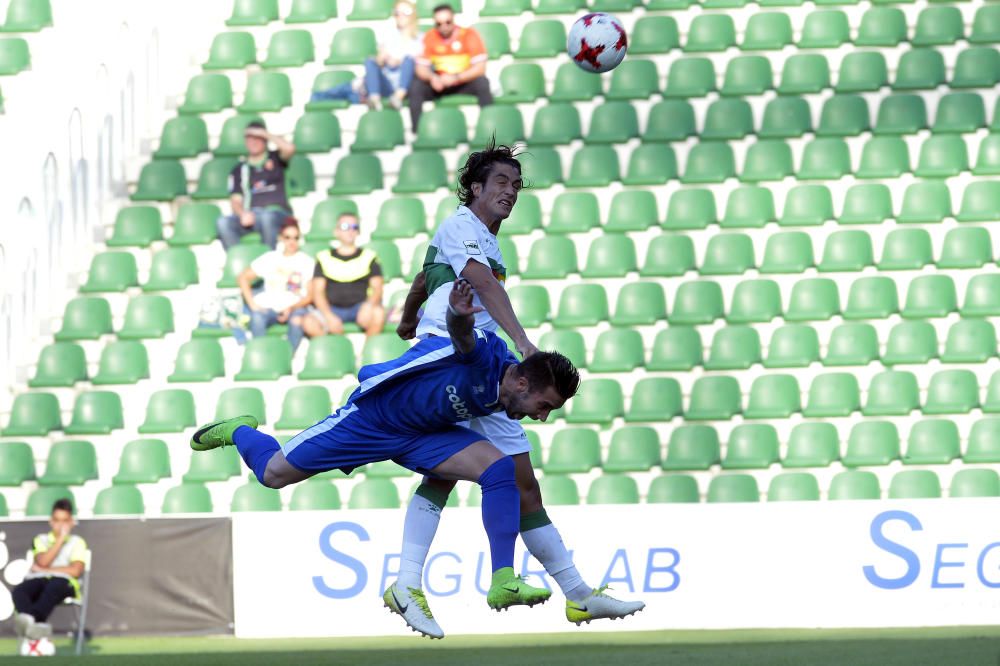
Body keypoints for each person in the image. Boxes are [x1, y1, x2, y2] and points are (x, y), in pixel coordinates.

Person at [190, 280, 579, 620]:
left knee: (499, 470)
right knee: (273, 474)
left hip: (424, 435)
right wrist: (458, 315)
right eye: (544, 407)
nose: (541, 418)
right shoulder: (486, 359)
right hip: (372, 419)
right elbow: (464, 339)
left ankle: (503, 580)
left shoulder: (512, 384)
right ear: (525, 386)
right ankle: (238, 429)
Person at [390, 139, 646, 638]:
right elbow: (484, 287)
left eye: (516, 184)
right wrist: (524, 343)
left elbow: (426, 275)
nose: (511, 191)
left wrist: (405, 317)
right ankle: (411, 583)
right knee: (460, 474)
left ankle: (577, 596)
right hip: (458, 354)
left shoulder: (482, 235)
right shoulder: (461, 223)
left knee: (518, 481)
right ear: (474, 188)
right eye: (501, 182)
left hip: (485, 357)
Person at [309, 0, 421, 109]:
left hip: (403, 85)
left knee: (408, 60)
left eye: (405, 12)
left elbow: (418, 64)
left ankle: (397, 96)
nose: (400, 16)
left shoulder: (420, 39)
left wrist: (398, 61)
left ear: (413, 14)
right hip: (383, 82)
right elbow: (378, 62)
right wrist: (383, 57)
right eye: (397, 12)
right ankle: (373, 97)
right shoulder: (388, 36)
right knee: (366, 66)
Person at [12, 499, 88, 654]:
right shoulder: (40, 539)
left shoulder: (77, 542)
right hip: (40, 580)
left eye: (65, 521)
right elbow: (43, 561)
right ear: (51, 522)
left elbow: (75, 571)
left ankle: (29, 622)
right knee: (21, 590)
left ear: (71, 522)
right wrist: (59, 541)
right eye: (57, 521)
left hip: (65, 584)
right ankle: (36, 629)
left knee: (55, 585)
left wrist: (46, 569)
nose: (61, 525)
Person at [408, 3, 492, 131]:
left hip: (463, 82)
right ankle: (417, 131)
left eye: (448, 22)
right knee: (416, 86)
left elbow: (480, 67)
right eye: (439, 24)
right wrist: (432, 78)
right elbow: (420, 68)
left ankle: (489, 127)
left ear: (453, 19)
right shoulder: (430, 37)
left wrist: (456, 77)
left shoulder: (469, 35)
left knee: (482, 83)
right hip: (439, 84)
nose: (444, 27)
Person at [237, 218, 315, 352]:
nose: (292, 241)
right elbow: (243, 277)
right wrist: (252, 304)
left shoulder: (307, 262)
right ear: (281, 238)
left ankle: (286, 358)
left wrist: (291, 308)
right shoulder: (270, 258)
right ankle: (260, 355)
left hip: (295, 307)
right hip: (270, 306)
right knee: (257, 317)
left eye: (296, 238)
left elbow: (309, 296)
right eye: (288, 237)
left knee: (297, 320)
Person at [216, 121, 296, 250]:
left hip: (277, 214)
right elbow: (235, 200)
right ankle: (239, 261)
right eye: (249, 138)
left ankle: (268, 262)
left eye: (257, 138)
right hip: (252, 216)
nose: (253, 142)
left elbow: (289, 148)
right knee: (223, 222)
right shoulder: (239, 169)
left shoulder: (276, 159)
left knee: (267, 217)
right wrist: (242, 214)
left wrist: (264, 133)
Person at [304, 212, 386, 338]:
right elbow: (318, 292)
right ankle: (337, 353)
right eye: (345, 227)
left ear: (358, 232)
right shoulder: (323, 257)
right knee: (309, 323)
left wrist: (369, 305)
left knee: (378, 313)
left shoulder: (370, 256)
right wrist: (328, 316)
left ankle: (366, 356)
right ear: (336, 232)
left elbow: (378, 288)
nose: (350, 231)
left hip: (360, 307)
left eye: (354, 227)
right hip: (332, 308)